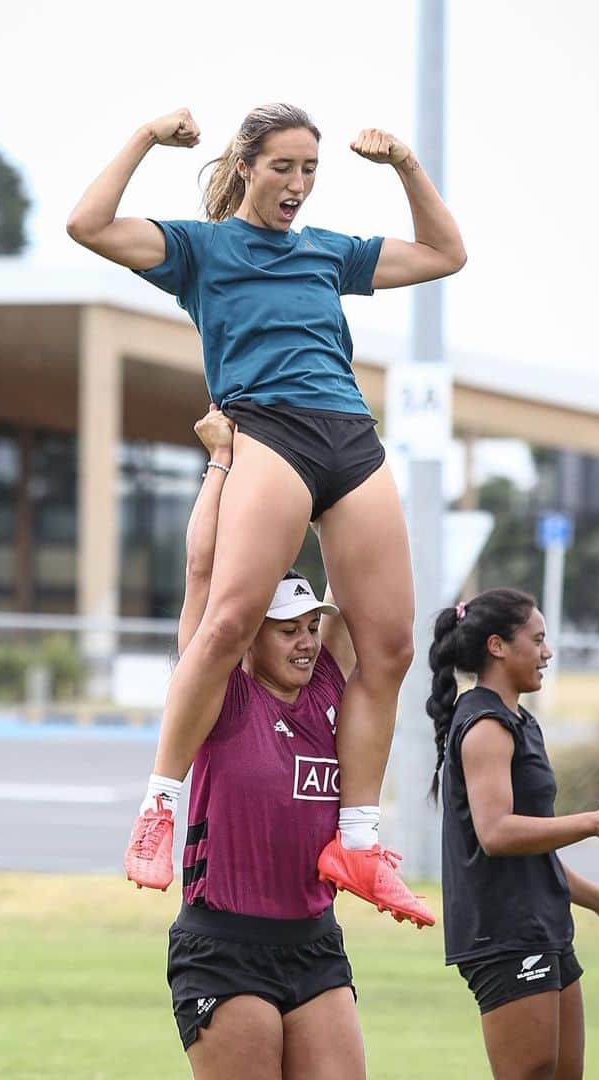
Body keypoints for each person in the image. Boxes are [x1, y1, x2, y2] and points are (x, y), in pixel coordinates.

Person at [68, 103, 465, 923]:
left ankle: (355, 842)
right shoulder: (200, 249)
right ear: (246, 164)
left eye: (310, 170)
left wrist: (404, 165)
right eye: (283, 166)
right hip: (269, 429)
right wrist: (145, 136)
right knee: (228, 619)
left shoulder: (329, 253)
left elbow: (445, 253)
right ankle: (159, 809)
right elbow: (88, 224)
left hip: (350, 436)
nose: (297, 185)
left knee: (389, 644)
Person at [156, 405, 369, 1078]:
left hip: (314, 945)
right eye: (287, 628)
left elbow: (355, 569)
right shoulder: (220, 694)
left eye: (312, 625)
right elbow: (201, 572)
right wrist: (221, 461)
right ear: (248, 632)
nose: (306, 640)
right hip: (224, 944)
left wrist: (344, 457)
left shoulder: (327, 689)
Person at [427, 588, 599, 1079]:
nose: (547, 652)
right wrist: (593, 823)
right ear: (497, 646)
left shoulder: (519, 720)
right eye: (537, 640)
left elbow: (531, 849)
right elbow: (496, 833)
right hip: (505, 932)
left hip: (542, 924)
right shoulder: (486, 723)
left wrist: (597, 899)